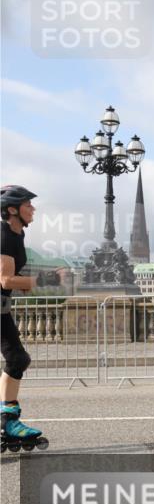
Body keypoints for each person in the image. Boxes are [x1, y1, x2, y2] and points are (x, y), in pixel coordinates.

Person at [1, 185, 56, 451]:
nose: (33, 208)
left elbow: (13, 283)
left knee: (18, 359)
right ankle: (8, 420)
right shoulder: (4, 236)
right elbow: (5, 279)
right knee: (17, 358)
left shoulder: (16, 234)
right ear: (13, 210)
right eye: (27, 204)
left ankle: (8, 419)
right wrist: (43, 279)